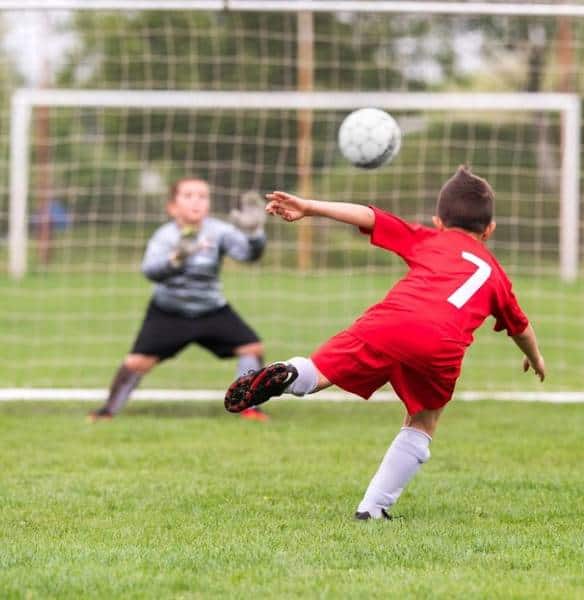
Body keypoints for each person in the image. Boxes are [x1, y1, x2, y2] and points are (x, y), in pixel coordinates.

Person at [225, 166, 546, 518]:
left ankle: (287, 374)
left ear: (438, 221)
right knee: (423, 420)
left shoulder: (429, 238)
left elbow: (369, 216)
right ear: (490, 230)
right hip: (441, 345)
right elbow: (521, 327)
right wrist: (536, 357)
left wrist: (309, 207)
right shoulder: (496, 275)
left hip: (389, 322)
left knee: (318, 373)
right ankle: (373, 509)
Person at [89, 178, 270, 422]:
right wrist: (175, 259)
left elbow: (249, 255)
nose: (196, 201)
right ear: (172, 207)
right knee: (136, 363)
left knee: (252, 348)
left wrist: (255, 233)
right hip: (168, 312)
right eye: (188, 195)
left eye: (202, 196)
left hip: (211, 310)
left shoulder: (219, 231)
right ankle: (107, 411)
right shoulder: (164, 236)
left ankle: (249, 407)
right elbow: (150, 271)